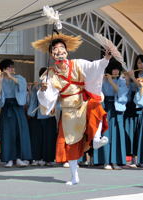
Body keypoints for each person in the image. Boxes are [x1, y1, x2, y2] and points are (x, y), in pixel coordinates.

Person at [32, 33, 111, 185]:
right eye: (55, 49)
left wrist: (105, 59)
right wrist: (43, 89)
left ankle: (96, 140)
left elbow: (94, 67)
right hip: (68, 110)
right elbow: (48, 95)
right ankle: (74, 176)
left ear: (67, 51)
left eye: (62, 48)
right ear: (51, 54)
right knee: (70, 144)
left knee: (97, 107)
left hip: (83, 102)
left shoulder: (77, 63)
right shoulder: (49, 74)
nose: (59, 51)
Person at [0, 59, 32, 167]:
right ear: (4, 69)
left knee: (20, 133)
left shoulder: (19, 78)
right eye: (9, 67)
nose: (12, 69)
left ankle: (19, 158)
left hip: (17, 108)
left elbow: (23, 87)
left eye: (12, 67)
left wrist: (11, 77)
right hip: (6, 108)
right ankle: (8, 159)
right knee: (7, 134)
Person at [94, 58, 129, 170]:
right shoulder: (103, 80)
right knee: (105, 133)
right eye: (113, 69)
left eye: (117, 70)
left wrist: (110, 81)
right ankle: (105, 161)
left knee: (116, 135)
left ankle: (115, 161)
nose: (115, 72)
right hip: (105, 108)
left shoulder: (122, 81)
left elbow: (120, 92)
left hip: (116, 109)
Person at [27, 67, 57, 166]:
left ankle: (48, 158)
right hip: (37, 115)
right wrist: (31, 90)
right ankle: (36, 158)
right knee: (36, 138)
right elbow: (31, 100)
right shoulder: (37, 86)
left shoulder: (54, 86)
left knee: (49, 138)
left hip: (48, 115)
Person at [123, 55, 143, 167]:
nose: (141, 65)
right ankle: (133, 158)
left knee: (140, 132)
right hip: (131, 105)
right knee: (131, 131)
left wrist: (133, 78)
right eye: (138, 63)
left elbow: (142, 87)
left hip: (142, 104)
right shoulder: (135, 74)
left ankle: (141, 158)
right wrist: (128, 79)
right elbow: (127, 89)